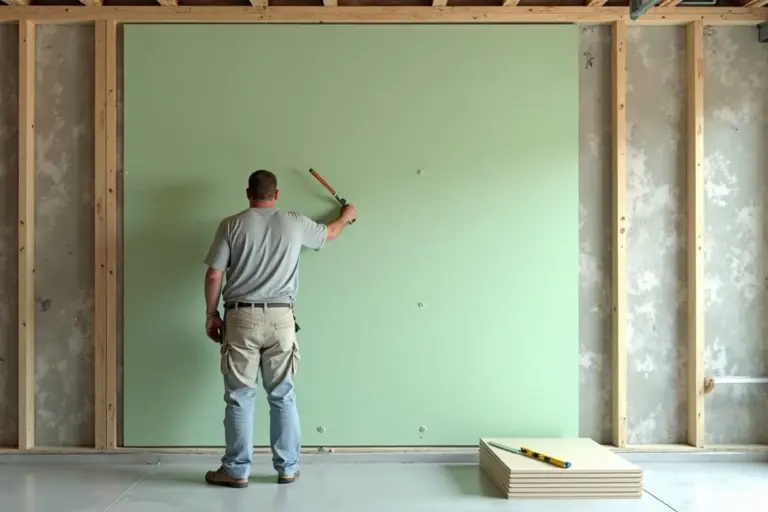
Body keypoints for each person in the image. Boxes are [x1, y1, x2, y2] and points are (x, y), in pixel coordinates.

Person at [202, 169, 357, 488]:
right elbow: (329, 233)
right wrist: (346, 216)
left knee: (240, 396)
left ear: (248, 193)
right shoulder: (295, 222)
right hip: (282, 318)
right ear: (277, 194)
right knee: (282, 395)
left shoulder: (231, 224)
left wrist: (211, 313)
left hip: (240, 317)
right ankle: (287, 468)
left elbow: (215, 275)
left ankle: (236, 470)